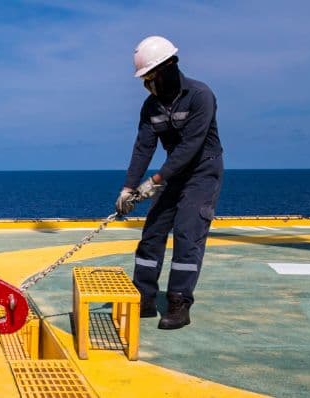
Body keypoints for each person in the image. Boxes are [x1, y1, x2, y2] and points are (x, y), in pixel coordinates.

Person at [115, 36, 223, 330]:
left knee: (188, 233)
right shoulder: (151, 107)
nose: (147, 83)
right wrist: (128, 187)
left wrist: (155, 180)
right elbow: (143, 148)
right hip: (172, 171)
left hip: (202, 170)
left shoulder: (200, 96)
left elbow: (191, 147)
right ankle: (145, 297)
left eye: (150, 76)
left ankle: (178, 301)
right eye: (144, 78)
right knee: (153, 232)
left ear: (169, 66)